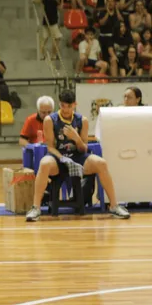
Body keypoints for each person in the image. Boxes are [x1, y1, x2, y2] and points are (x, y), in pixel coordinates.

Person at [25, 90, 131, 222]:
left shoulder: (82, 121)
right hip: (58, 158)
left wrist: (76, 138)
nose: (66, 109)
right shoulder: (50, 120)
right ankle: (36, 208)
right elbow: (50, 147)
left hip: (78, 158)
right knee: (44, 163)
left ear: (75, 104)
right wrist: (63, 158)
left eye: (69, 106)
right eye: (63, 106)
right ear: (60, 104)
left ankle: (114, 206)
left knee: (101, 163)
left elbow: (83, 148)